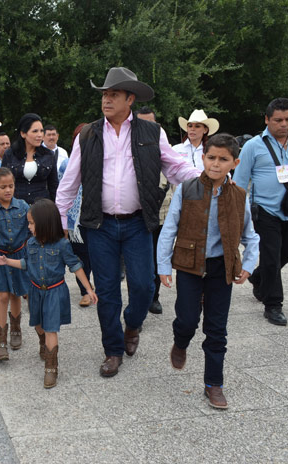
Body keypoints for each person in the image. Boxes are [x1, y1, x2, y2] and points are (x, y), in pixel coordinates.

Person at [56, 67, 200, 378]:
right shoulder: (88, 134)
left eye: (113, 95)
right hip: (100, 225)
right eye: (104, 94)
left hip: (138, 222)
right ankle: (113, 349)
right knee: (106, 290)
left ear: (130, 99)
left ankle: (132, 325)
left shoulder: (152, 132)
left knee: (144, 286)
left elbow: (175, 167)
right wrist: (60, 220)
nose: (106, 100)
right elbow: (70, 181)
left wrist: (207, 180)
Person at [158, 134, 260, 409]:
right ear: (203, 158)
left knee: (217, 329)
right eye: (211, 157)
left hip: (221, 268)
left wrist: (248, 264)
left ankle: (214, 383)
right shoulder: (186, 189)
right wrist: (163, 265)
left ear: (234, 163)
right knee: (187, 320)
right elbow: (169, 229)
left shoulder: (239, 196)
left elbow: (250, 234)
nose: (216, 164)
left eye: (223, 159)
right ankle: (181, 342)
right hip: (190, 266)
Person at [233, 98, 288, 326]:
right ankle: (273, 304)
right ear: (267, 119)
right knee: (271, 257)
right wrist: (238, 213)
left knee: (287, 253)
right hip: (265, 210)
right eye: (278, 120)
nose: (284, 124)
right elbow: (240, 182)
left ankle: (259, 277)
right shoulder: (253, 145)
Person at [0, 199, 97, 388]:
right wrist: (7, 261)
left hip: (54, 292)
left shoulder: (62, 245)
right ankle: (43, 343)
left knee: (50, 328)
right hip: (35, 291)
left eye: (32, 223)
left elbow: (75, 266)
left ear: (45, 224)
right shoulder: (30, 243)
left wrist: (89, 289)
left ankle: (51, 367)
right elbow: (26, 264)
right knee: (39, 325)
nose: (29, 227)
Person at [0, 167, 30, 360]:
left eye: (11, 186)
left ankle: (16, 329)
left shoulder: (22, 206)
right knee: (3, 294)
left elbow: (32, 228)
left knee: (16, 294)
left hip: (18, 256)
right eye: (3, 187)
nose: (8, 190)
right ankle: (1, 340)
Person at [133, 107, 172, 315]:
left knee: (158, 257)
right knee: (138, 265)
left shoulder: (165, 149)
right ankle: (136, 304)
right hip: (137, 217)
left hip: (162, 216)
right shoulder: (128, 153)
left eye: (151, 124)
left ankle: (153, 297)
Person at [58, 123, 93, 308]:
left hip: (96, 216)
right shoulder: (66, 163)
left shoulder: (101, 161)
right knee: (80, 256)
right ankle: (85, 290)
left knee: (93, 255)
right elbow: (62, 190)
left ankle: (93, 287)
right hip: (75, 219)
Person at [2, 113, 58, 205]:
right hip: (16, 209)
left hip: (42, 209)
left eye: (41, 131)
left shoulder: (49, 155)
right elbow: (2, 182)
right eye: (35, 131)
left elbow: (54, 186)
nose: (40, 135)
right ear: (23, 133)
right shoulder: (10, 154)